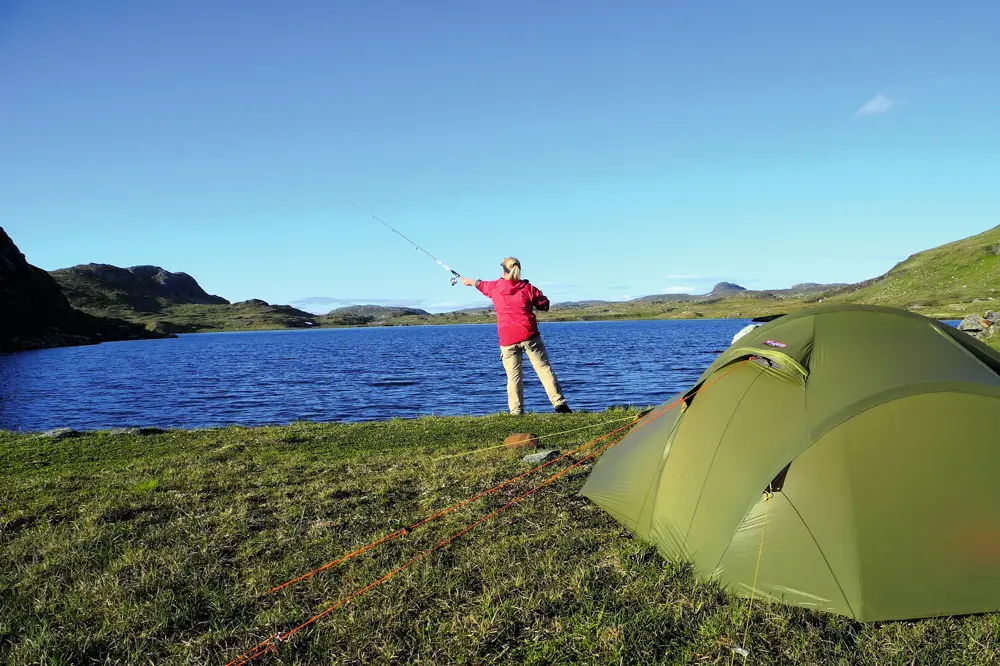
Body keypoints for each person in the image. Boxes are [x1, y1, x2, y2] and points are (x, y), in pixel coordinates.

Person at [461, 257, 571, 415]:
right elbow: (544, 305)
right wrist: (538, 295)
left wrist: (469, 281)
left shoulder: (495, 287)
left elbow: (479, 284)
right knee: (544, 370)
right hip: (530, 335)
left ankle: (516, 411)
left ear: (503, 271)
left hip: (507, 339)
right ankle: (560, 405)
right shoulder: (527, 288)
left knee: (513, 376)